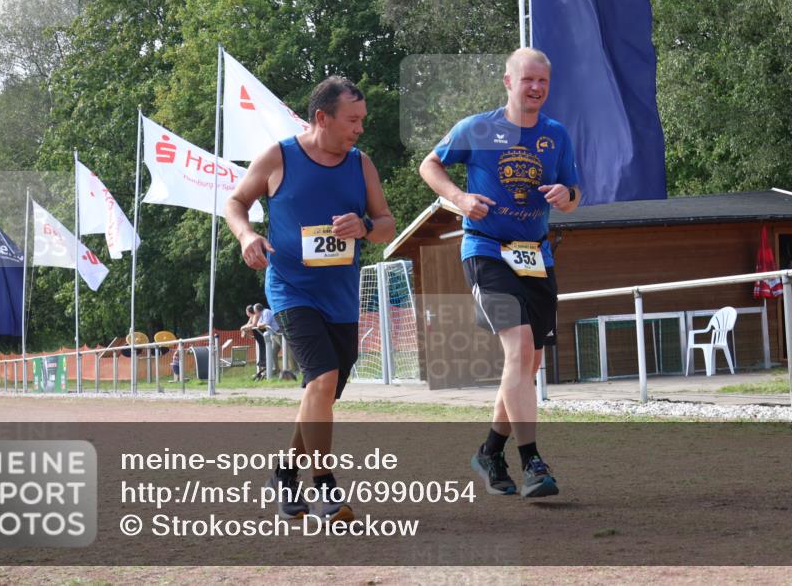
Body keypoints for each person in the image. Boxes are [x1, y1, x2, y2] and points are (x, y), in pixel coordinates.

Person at [225, 76, 396, 522]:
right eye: (352, 120)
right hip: (290, 289)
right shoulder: (279, 156)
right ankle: (325, 489)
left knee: (322, 395)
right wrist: (247, 236)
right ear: (322, 117)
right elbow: (236, 202)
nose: (360, 128)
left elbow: (386, 224)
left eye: (363, 120)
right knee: (321, 381)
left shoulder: (362, 165)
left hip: (340, 296)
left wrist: (364, 227)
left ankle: (284, 474)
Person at [419, 47, 580, 499]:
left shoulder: (556, 136)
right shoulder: (479, 128)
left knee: (530, 362)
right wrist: (459, 198)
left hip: (537, 255)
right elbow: (429, 164)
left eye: (542, 82)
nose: (535, 88)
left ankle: (491, 451)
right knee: (520, 347)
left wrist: (565, 196)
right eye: (527, 80)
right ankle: (532, 462)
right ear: (508, 82)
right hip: (486, 249)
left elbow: (575, 191)